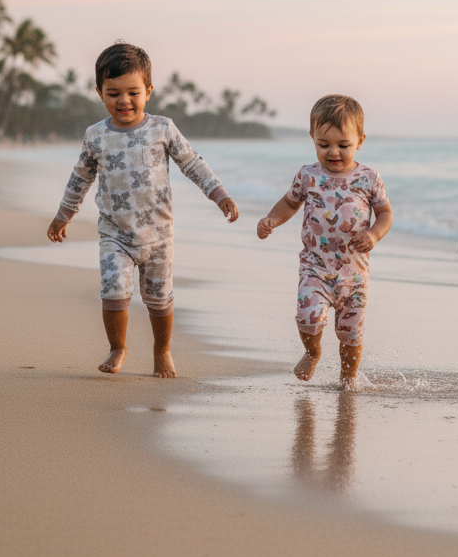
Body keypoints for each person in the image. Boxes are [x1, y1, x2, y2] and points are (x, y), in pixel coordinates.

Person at [47, 42, 238, 377]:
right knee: (113, 291)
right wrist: (64, 215)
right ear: (99, 93)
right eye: (114, 93)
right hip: (115, 234)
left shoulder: (162, 128)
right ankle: (117, 347)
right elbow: (80, 178)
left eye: (133, 92)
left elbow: (192, 163)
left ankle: (162, 351)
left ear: (148, 91)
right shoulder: (95, 136)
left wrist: (218, 193)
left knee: (159, 300)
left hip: (158, 235)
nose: (124, 101)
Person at [257, 95, 393, 390]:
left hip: (354, 274)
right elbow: (289, 203)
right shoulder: (308, 175)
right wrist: (271, 219)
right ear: (312, 138)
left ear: (360, 140)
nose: (333, 152)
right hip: (315, 267)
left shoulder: (368, 178)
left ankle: (349, 379)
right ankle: (312, 351)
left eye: (343, 145)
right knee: (308, 315)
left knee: (351, 333)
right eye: (324, 144)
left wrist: (372, 235)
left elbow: (385, 213)